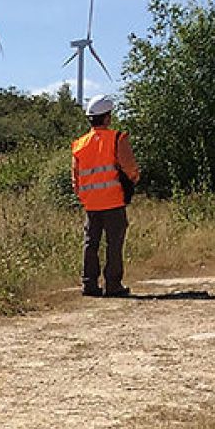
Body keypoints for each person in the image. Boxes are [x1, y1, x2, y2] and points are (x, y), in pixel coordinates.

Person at [71, 94, 141, 298]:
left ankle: (89, 285)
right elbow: (129, 167)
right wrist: (134, 179)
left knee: (90, 243)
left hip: (90, 204)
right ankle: (113, 285)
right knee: (114, 243)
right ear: (107, 118)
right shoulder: (117, 138)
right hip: (113, 200)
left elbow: (75, 177)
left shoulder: (79, 144)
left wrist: (83, 196)